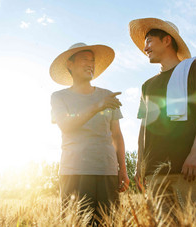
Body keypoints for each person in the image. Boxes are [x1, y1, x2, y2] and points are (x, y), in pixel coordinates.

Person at [128, 18, 196, 220]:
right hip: (156, 174)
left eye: (149, 41)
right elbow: (145, 126)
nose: (145, 48)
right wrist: (139, 165)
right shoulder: (147, 86)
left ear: (167, 40)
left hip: (191, 169)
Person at [49, 43, 130, 224]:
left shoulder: (108, 96)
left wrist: (122, 170)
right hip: (74, 172)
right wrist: (97, 106)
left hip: (107, 171)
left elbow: (116, 135)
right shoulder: (59, 97)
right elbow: (66, 125)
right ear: (69, 64)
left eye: (92, 60)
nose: (90, 64)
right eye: (84, 59)